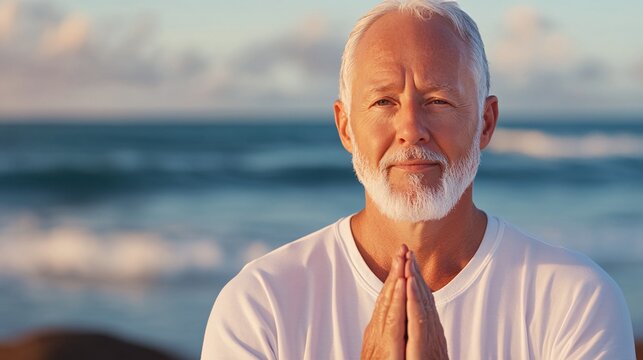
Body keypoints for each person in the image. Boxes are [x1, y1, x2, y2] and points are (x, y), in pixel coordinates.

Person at [202, 0, 636, 358]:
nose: (411, 128)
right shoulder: (262, 306)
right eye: (384, 101)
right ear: (346, 127)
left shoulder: (575, 301)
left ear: (485, 122)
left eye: (439, 100)